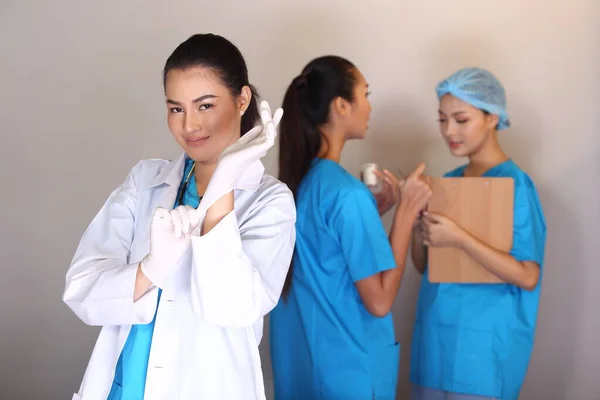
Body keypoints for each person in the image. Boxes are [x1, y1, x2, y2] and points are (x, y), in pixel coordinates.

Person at [62, 33, 296, 400]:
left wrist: (224, 183)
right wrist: (150, 270)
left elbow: (231, 308)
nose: (189, 126)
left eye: (205, 106)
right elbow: (82, 290)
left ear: (242, 99)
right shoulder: (145, 181)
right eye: (176, 108)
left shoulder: (271, 202)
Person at [269, 55, 432, 400]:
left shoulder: (296, 186)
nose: (370, 107)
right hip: (349, 376)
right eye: (366, 94)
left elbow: (330, 263)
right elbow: (380, 301)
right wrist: (406, 212)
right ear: (342, 105)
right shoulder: (346, 194)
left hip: (304, 373)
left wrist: (376, 213)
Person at [409, 67, 547, 400]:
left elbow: (528, 276)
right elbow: (425, 266)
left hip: (483, 353)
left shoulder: (516, 186)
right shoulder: (448, 181)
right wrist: (416, 221)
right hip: (434, 343)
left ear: (492, 117)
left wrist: (459, 237)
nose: (449, 131)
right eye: (442, 120)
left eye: (461, 119)